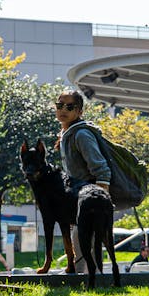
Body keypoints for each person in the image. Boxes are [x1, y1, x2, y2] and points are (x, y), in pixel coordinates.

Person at [54, 88, 111, 273]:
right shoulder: (66, 134)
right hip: (78, 199)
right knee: (80, 239)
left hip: (91, 199)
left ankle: (87, 281)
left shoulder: (81, 135)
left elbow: (101, 170)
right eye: (60, 105)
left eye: (70, 107)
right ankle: (83, 280)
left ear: (79, 111)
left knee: (86, 241)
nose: (63, 110)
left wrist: (101, 202)